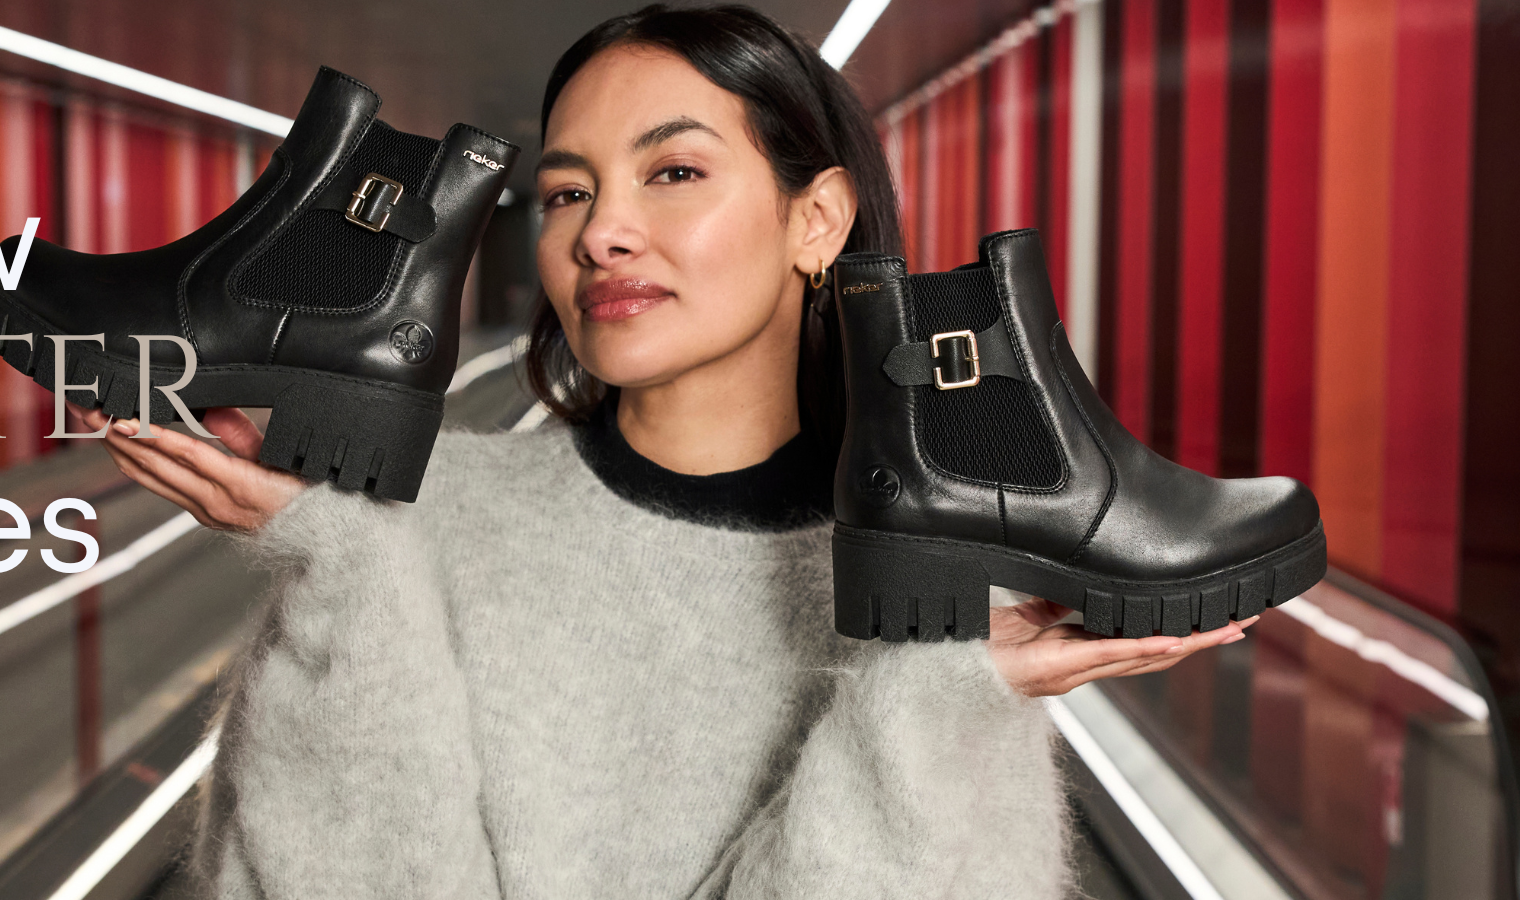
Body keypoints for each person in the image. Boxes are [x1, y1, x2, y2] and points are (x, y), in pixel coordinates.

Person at [70, 5, 1257, 897]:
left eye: (674, 172)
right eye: (565, 192)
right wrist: (335, 563)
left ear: (817, 219)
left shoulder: (949, 602)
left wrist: (941, 701)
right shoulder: (410, 525)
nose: (604, 233)